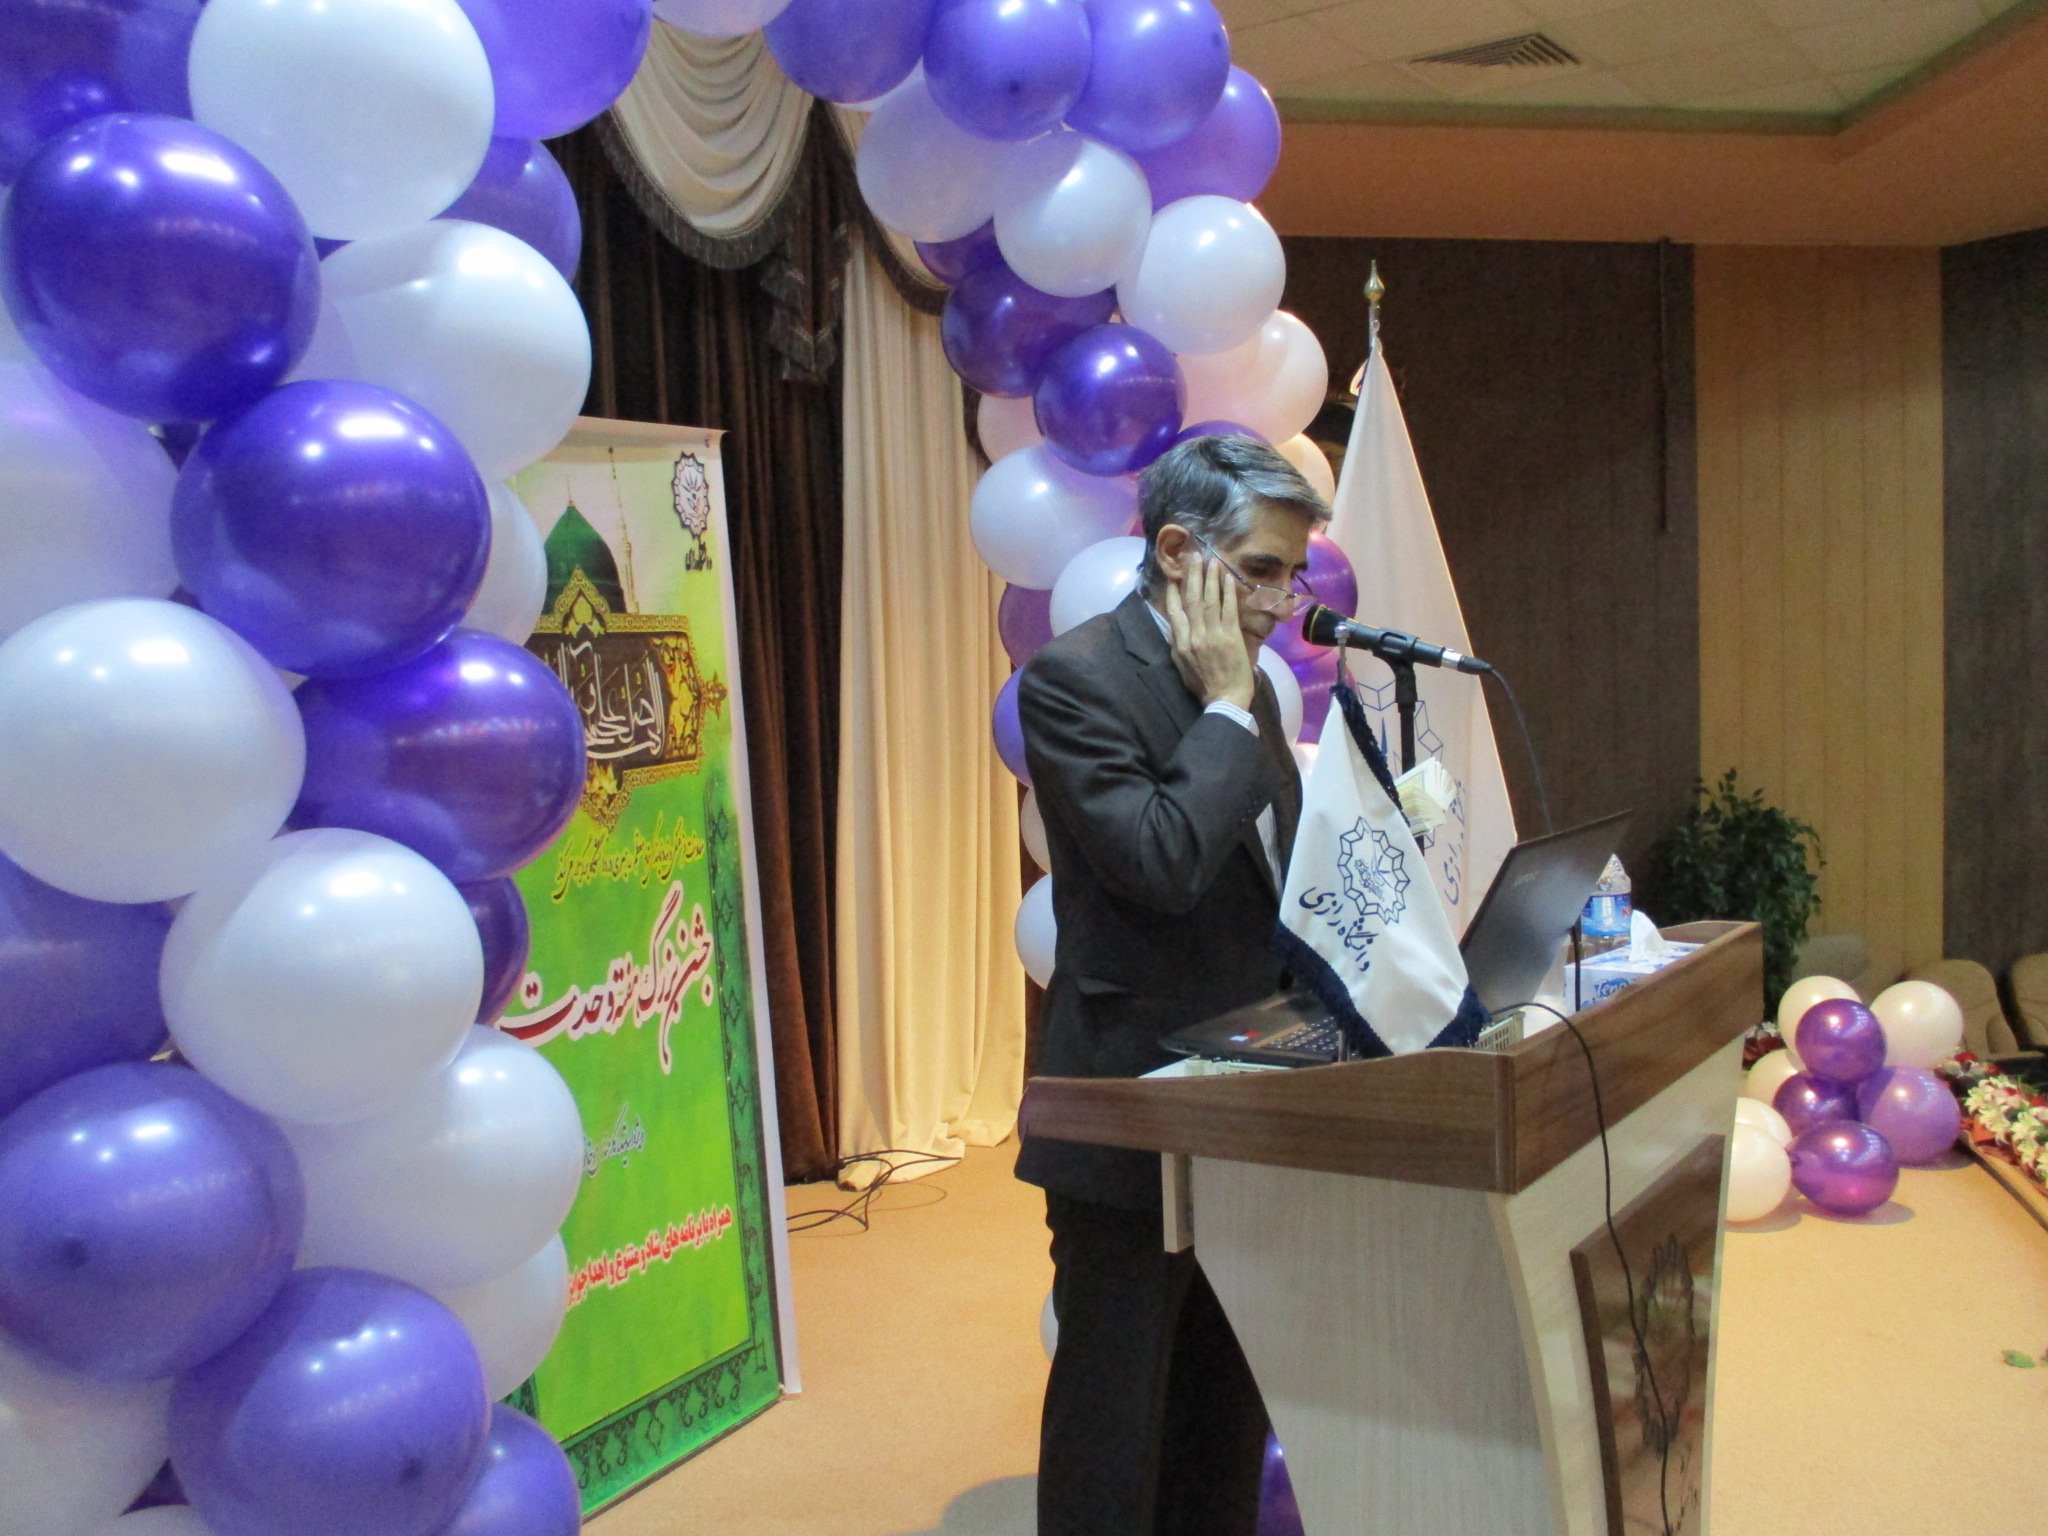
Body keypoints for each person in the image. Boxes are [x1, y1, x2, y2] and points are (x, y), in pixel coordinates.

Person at [1016, 434, 1329, 1536]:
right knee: (1114, 1425)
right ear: (1177, 551)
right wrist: (1226, 711)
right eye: (1260, 570)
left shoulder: (1247, 683)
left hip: (1250, 1097)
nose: (1281, 602)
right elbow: (1159, 862)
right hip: (1128, 1108)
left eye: (1292, 575)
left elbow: (1275, 875)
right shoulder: (1076, 680)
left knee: (1221, 1411)